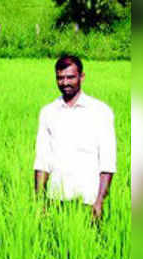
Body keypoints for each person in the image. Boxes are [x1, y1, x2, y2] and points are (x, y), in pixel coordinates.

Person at [34, 55, 116, 218]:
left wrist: (99, 201)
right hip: (55, 200)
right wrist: (39, 202)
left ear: (82, 77)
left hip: (88, 201)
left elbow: (107, 162)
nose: (65, 83)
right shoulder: (48, 112)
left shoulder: (100, 111)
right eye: (60, 78)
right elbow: (42, 161)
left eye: (70, 77)